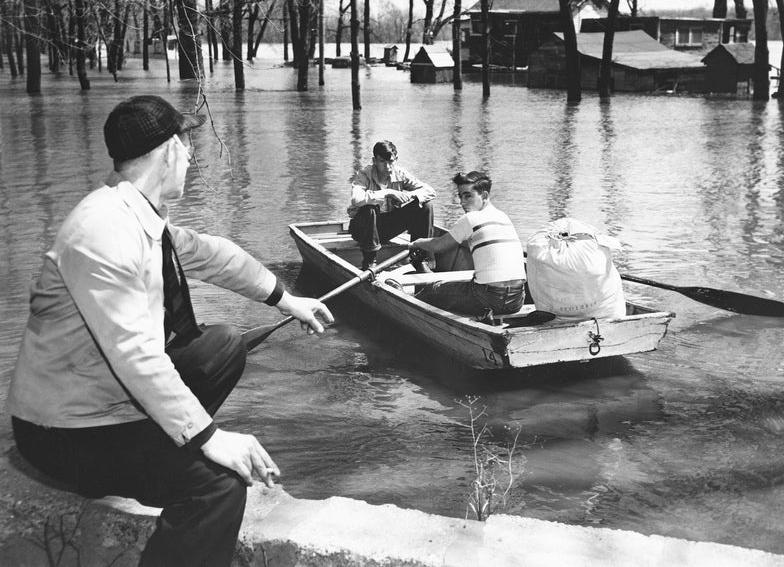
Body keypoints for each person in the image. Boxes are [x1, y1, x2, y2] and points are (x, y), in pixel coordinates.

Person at [6, 95, 334, 567]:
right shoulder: (103, 231)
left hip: (106, 404)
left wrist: (287, 300)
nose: (192, 157)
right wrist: (208, 438)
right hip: (63, 432)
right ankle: (173, 461)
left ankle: (161, 450)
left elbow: (212, 254)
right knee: (217, 487)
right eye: (188, 145)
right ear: (169, 152)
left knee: (222, 346)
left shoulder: (137, 216)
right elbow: (135, 352)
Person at [408, 170, 526, 317]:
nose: (462, 202)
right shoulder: (503, 217)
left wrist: (418, 242)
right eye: (460, 196)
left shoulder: (471, 218)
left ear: (484, 196)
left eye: (468, 196)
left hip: (487, 298)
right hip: (517, 300)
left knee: (431, 291)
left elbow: (438, 246)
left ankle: (410, 306)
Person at [348, 139, 436, 271]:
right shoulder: (364, 174)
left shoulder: (400, 173)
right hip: (362, 229)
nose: (388, 167)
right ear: (374, 161)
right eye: (382, 161)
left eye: (391, 161)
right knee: (369, 207)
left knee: (425, 205)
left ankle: (419, 257)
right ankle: (370, 261)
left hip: (386, 228)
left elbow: (430, 190)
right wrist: (388, 192)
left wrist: (410, 196)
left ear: (396, 159)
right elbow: (357, 199)